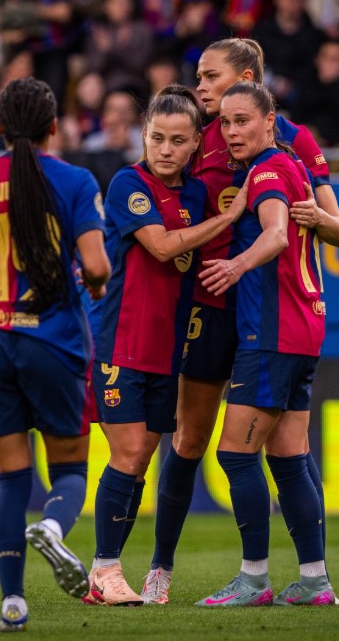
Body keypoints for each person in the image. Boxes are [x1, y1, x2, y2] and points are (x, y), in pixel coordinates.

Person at [141, 37, 339, 605]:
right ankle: (305, 578)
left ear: (254, 91)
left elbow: (332, 228)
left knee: (245, 453)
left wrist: (296, 225)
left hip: (265, 312)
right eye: (203, 83)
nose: (202, 90)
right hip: (228, 310)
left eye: (212, 78)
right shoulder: (201, 134)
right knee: (197, 441)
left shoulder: (283, 150)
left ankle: (262, 577)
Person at [0, 77, 110, 631]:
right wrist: (94, 282)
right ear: (54, 127)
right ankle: (55, 528)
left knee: (11, 481)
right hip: (53, 338)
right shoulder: (75, 180)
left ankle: (12, 603)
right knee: (68, 470)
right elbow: (97, 265)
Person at [87, 86, 247, 606]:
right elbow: (159, 246)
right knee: (129, 454)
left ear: (195, 144)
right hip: (122, 342)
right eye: (156, 137)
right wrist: (227, 218)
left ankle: (110, 571)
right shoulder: (128, 184)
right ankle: (105, 569)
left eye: (178, 141)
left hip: (167, 347)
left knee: (142, 460)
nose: (165, 149)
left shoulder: (196, 195)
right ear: (143, 136)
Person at [195, 81, 332, 607]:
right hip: (304, 327)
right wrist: (232, 219)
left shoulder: (270, 170)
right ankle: (315, 581)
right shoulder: (290, 167)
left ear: (269, 119)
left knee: (234, 454)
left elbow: (275, 234)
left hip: (272, 333)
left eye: (242, 121)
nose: (231, 132)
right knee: (290, 457)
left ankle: (254, 578)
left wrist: (236, 263)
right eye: (226, 123)